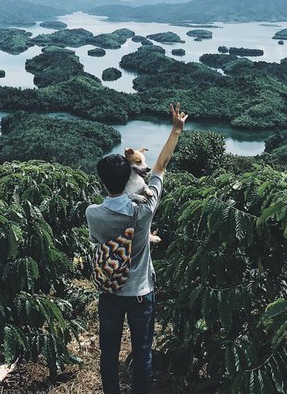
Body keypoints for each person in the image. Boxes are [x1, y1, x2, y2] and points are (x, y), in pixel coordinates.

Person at [86, 102, 188, 394]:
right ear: (133, 173)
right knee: (142, 352)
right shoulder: (144, 210)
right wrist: (176, 130)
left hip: (111, 292)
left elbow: (97, 243)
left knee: (109, 352)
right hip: (142, 292)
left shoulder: (94, 213)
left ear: (103, 182)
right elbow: (160, 166)